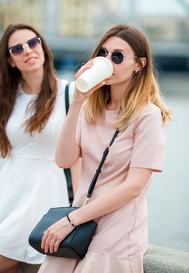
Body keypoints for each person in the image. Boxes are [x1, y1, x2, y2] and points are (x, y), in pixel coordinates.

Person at [38, 23, 173, 273]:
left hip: (117, 228)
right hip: (80, 219)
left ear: (139, 65)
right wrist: (77, 103)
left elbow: (134, 187)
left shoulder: (147, 115)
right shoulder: (90, 109)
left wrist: (70, 219)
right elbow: (63, 159)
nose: (107, 61)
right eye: (102, 54)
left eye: (117, 56)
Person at [0, 23, 80, 273]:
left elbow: (76, 157)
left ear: (43, 46)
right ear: (10, 61)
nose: (27, 50)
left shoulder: (70, 93)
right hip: (7, 192)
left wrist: (79, 210)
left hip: (43, 193)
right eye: (17, 49)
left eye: (33, 42)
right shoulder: (7, 97)